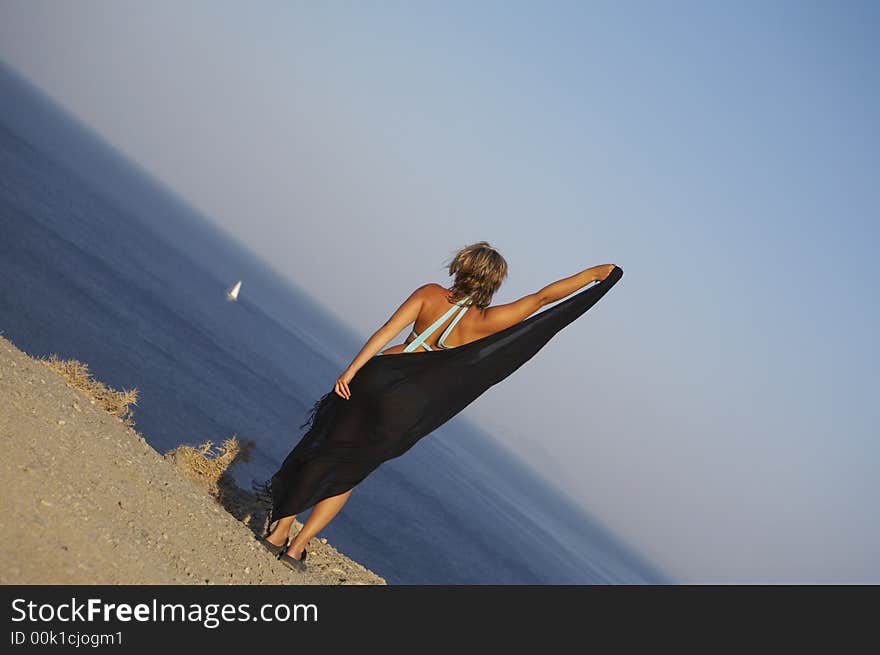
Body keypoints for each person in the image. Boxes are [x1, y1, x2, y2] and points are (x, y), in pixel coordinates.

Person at [258, 241, 620, 571]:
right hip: (407, 409)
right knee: (347, 474)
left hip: (376, 380)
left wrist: (350, 371)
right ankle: (296, 550)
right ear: (494, 283)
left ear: (459, 268)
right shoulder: (489, 321)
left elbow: (387, 331)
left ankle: (278, 532)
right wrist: (592, 276)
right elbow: (542, 300)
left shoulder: (429, 295)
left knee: (322, 450)